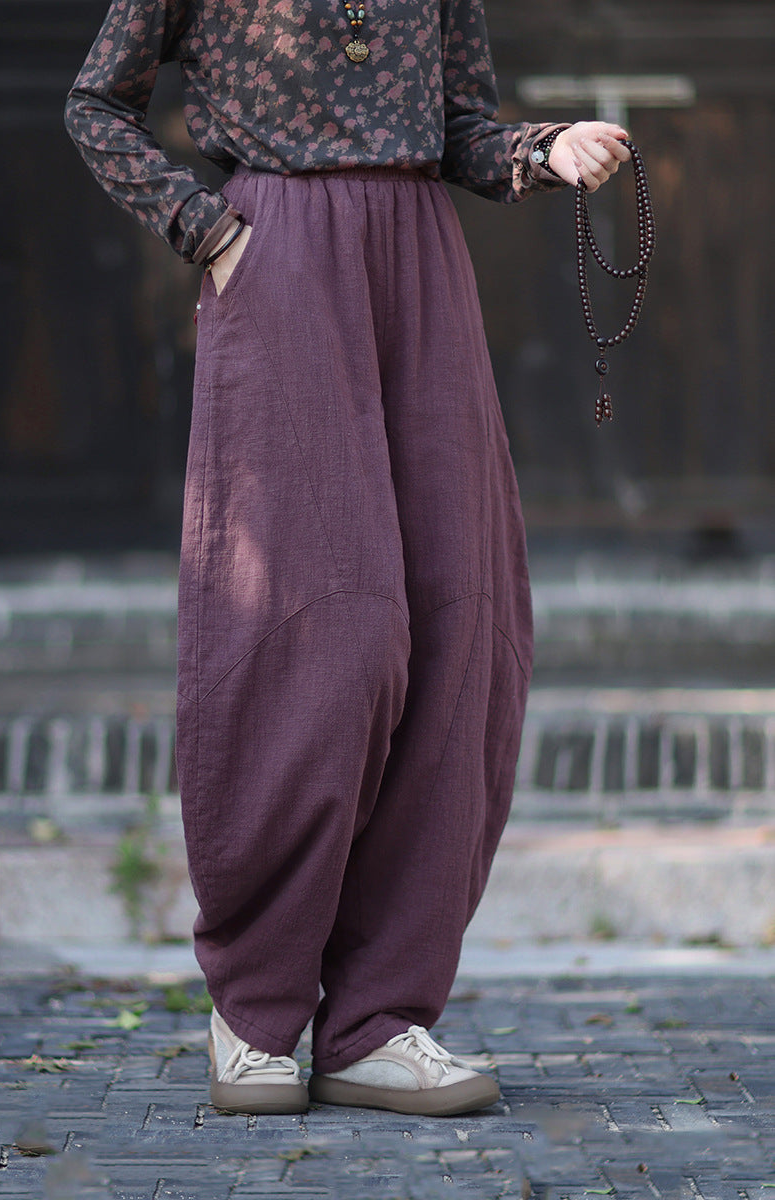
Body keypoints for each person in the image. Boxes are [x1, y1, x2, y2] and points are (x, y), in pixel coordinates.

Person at [65, 0, 630, 1118]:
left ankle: (378, 1020)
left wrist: (541, 150)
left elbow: (460, 127)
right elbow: (96, 105)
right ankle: (257, 1009)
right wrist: (204, 227)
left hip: (420, 261)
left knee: (460, 618)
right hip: (276, 256)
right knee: (327, 631)